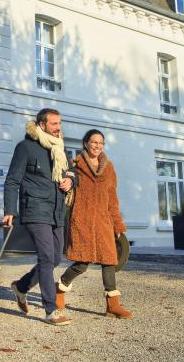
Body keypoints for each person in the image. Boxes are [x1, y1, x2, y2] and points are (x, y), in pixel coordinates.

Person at [2, 108, 75, 326]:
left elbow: (72, 172)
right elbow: (12, 180)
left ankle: (21, 286)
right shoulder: (25, 147)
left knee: (55, 258)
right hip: (34, 210)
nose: (58, 127)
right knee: (45, 257)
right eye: (54, 124)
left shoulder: (60, 148)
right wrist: (9, 210)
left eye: (59, 123)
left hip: (56, 211)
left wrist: (71, 181)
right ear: (41, 125)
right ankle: (51, 310)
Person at [55, 129, 133, 319]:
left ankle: (113, 305)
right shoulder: (76, 165)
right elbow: (69, 178)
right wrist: (68, 180)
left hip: (104, 222)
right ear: (85, 143)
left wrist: (117, 225)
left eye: (101, 143)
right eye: (94, 142)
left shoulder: (109, 168)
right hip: (82, 220)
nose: (97, 146)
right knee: (82, 263)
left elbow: (112, 198)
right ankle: (59, 289)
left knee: (109, 260)